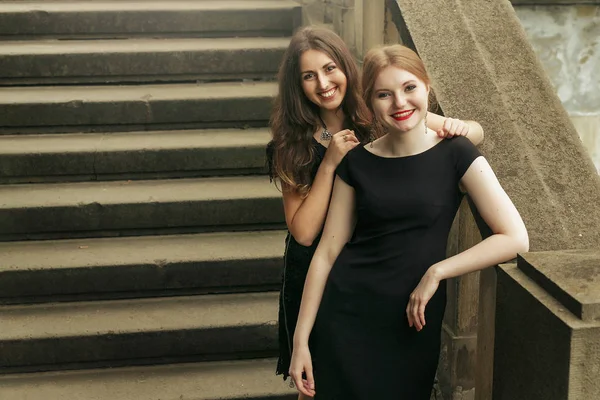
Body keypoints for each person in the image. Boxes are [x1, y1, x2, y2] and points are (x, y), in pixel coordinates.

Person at [288, 44, 529, 400]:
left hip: (413, 321)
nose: (399, 103)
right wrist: (300, 341)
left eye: (409, 88)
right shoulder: (357, 163)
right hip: (345, 315)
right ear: (370, 103)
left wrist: (438, 272)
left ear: (427, 87)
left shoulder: (456, 153)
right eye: (384, 94)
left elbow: (515, 238)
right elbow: (327, 253)